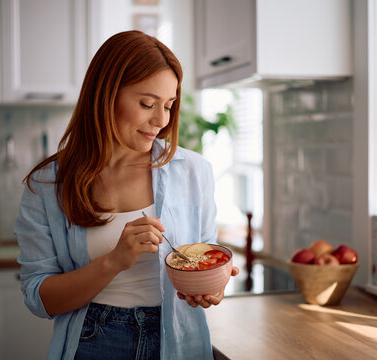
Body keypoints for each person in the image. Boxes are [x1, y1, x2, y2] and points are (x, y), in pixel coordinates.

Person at [14, 30, 239, 360]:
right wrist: (113, 262)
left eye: (169, 105)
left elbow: (201, 257)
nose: (161, 120)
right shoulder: (49, 185)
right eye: (147, 104)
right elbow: (39, 297)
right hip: (96, 341)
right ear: (106, 94)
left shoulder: (193, 171)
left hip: (180, 342)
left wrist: (210, 287)